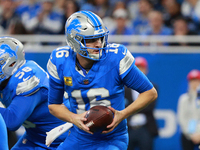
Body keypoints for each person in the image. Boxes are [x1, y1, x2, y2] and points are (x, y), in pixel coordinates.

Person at [47, 10, 157, 150]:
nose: (99, 44)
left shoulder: (115, 58)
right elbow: (54, 106)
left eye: (100, 38)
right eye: (91, 40)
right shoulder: (60, 61)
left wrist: (122, 114)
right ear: (74, 40)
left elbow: (150, 92)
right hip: (79, 136)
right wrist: (73, 118)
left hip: (111, 138)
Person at [0, 37, 68, 150]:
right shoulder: (6, 79)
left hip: (61, 138)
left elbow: (12, 121)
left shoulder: (27, 77)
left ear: (11, 64)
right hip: (35, 136)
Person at [125, 56, 158, 150]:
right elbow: (122, 106)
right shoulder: (124, 88)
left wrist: (130, 109)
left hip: (145, 127)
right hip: (129, 127)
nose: (140, 70)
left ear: (146, 70)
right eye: (137, 68)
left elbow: (150, 106)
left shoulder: (153, 87)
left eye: (142, 68)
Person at [177, 69, 200, 150]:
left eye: (197, 81)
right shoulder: (184, 99)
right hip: (187, 135)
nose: (195, 84)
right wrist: (191, 134)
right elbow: (181, 118)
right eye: (192, 81)